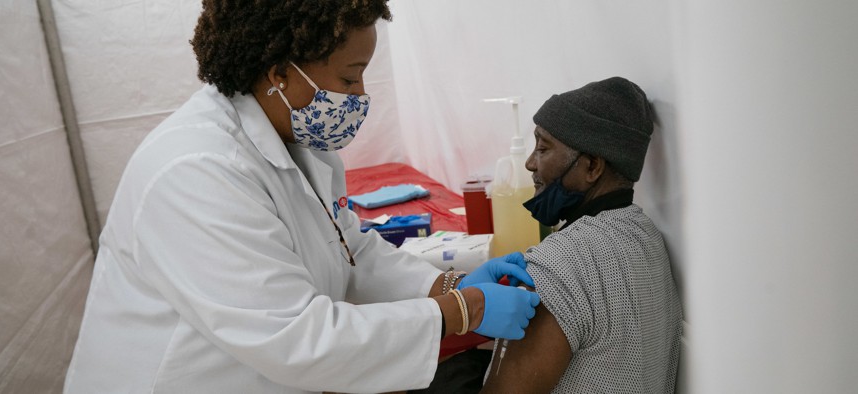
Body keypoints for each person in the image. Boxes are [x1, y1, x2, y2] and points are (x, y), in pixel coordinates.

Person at [63, 1, 540, 393]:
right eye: (350, 78)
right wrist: (463, 310)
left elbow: (349, 248)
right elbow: (293, 337)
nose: (361, 96)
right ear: (280, 75)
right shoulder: (196, 170)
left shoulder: (299, 140)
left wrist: (446, 284)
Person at [480, 77, 683, 393]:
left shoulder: (556, 266)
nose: (531, 162)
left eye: (543, 147)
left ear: (592, 166)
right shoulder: (648, 239)